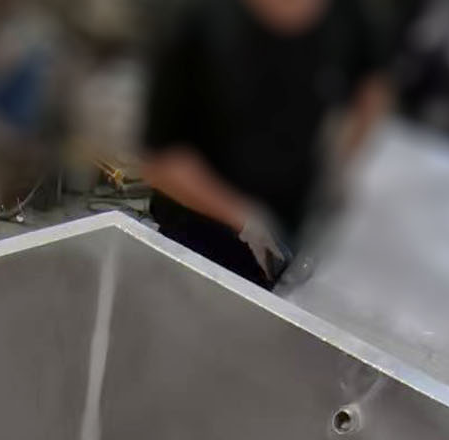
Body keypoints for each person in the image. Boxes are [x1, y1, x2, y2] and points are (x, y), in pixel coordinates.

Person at [141, 0, 391, 285]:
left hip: (292, 236)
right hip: (196, 237)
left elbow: (373, 87)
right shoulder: (200, 23)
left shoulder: (346, 16)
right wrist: (246, 219)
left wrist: (341, 166)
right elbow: (160, 163)